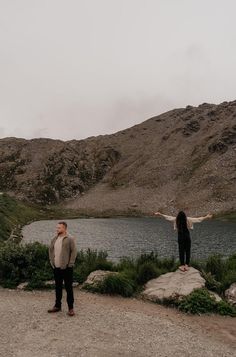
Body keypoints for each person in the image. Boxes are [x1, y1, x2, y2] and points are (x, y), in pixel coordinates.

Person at [48, 221, 77, 316]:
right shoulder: (54, 239)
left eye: (59, 228)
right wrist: (51, 262)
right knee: (58, 287)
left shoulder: (70, 239)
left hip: (67, 268)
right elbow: (50, 250)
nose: (57, 229)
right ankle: (57, 306)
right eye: (57, 228)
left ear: (65, 228)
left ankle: (71, 308)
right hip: (56, 267)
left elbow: (74, 252)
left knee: (69, 288)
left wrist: (70, 264)